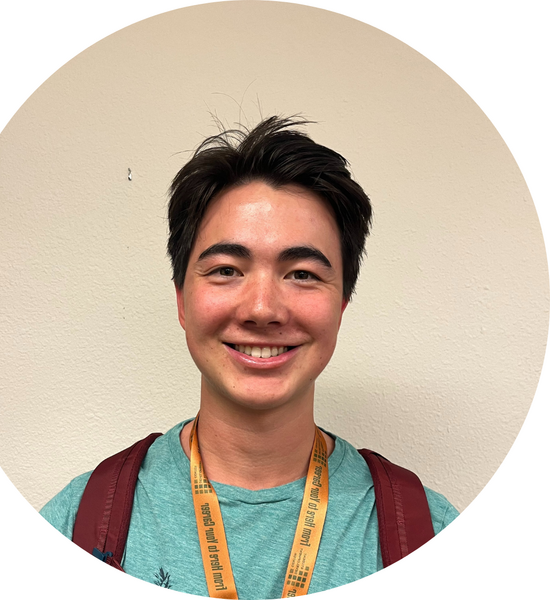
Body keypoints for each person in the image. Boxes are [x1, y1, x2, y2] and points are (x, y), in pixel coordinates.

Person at [40, 116, 459, 598]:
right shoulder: (76, 527)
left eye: (302, 274)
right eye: (226, 269)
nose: (262, 309)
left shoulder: (430, 535)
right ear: (181, 300)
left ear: (341, 304)